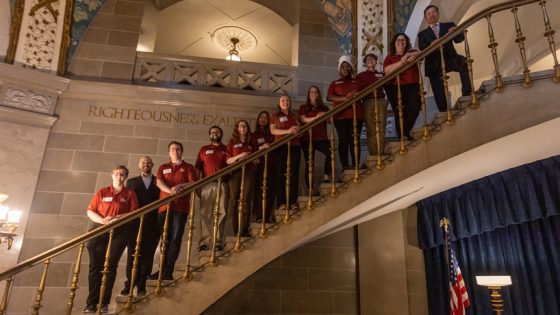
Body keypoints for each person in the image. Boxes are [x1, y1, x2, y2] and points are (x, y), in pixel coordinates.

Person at [84, 165, 138, 313]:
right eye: (116, 174)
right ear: (111, 175)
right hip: (99, 231)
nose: (119, 177)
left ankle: (103, 303)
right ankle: (91, 303)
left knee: (110, 268)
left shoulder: (129, 194)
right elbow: (90, 210)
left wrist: (117, 218)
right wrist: (103, 221)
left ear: (125, 177)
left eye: (122, 174)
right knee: (95, 267)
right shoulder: (102, 192)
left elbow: (134, 213)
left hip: (119, 233)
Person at [155, 141, 198, 280]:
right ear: (169, 152)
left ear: (181, 151)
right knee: (164, 239)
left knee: (175, 239)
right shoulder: (163, 167)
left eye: (178, 149)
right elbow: (159, 182)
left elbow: (194, 183)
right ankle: (161, 269)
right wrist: (170, 191)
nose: (175, 151)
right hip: (164, 207)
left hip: (180, 208)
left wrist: (179, 185)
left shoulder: (189, 167)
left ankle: (168, 271)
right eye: (172, 149)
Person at [418, 4, 472, 112]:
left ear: (437, 14)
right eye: (428, 14)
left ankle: (467, 93)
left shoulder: (449, 25)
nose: (431, 15)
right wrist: (431, 45)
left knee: (463, 62)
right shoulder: (422, 34)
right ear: (426, 18)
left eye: (433, 12)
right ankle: (444, 110)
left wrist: (458, 31)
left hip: (450, 58)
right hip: (433, 63)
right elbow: (422, 48)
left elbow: (458, 39)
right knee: (437, 86)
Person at [121, 156, 160, 297]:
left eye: (148, 163)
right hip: (134, 225)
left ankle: (142, 284)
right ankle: (129, 284)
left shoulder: (158, 181)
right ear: (139, 165)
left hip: (153, 224)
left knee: (148, 256)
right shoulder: (131, 182)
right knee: (132, 255)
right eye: (143, 162)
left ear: (152, 165)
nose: (146, 164)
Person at [327, 55, 363, 170]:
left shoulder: (357, 82)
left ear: (351, 68)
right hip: (340, 116)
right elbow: (329, 97)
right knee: (343, 140)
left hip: (356, 115)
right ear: (339, 68)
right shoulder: (334, 83)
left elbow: (363, 93)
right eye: (343, 66)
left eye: (348, 66)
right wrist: (345, 98)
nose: (346, 68)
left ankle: (356, 163)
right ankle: (345, 165)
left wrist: (355, 94)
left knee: (355, 139)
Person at [195, 126, 228, 251]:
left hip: (223, 184)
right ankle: (205, 242)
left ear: (221, 134)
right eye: (212, 132)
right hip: (207, 184)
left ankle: (218, 242)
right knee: (205, 213)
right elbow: (197, 168)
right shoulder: (204, 149)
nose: (215, 133)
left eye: (217, 132)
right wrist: (197, 185)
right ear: (209, 135)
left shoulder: (226, 149)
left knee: (222, 213)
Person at [383, 33, 422, 141]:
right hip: (395, 87)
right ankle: (403, 136)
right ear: (394, 43)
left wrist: (409, 55)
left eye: (403, 40)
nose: (401, 41)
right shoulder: (390, 57)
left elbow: (421, 52)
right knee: (400, 111)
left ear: (406, 43)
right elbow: (387, 70)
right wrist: (402, 61)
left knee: (415, 108)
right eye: (398, 40)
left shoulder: (410, 52)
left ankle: (406, 131)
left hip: (412, 85)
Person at [270, 94, 301, 210]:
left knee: (294, 174)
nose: (286, 102)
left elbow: (300, 129)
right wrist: (288, 131)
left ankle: (293, 202)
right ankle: (281, 202)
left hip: (295, 146)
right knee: (280, 174)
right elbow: (273, 131)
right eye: (283, 100)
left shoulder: (294, 116)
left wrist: (298, 130)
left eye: (288, 100)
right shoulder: (275, 115)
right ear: (279, 103)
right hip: (281, 146)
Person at [226, 120, 256, 237]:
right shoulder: (232, 143)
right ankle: (236, 230)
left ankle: (244, 230)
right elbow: (228, 160)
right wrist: (241, 155)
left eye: (245, 126)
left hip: (249, 172)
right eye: (240, 126)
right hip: (235, 173)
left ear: (247, 128)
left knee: (246, 201)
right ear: (237, 128)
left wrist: (252, 158)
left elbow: (257, 160)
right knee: (234, 201)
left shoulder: (251, 143)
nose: (242, 128)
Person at [298, 86, 332, 189]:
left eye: (316, 92)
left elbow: (330, 121)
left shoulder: (324, 108)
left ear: (319, 95)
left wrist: (325, 115)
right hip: (307, 139)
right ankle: (310, 189)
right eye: (312, 92)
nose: (314, 94)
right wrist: (317, 117)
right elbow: (304, 120)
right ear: (309, 94)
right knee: (309, 164)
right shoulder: (303, 107)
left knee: (330, 153)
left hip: (322, 138)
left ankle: (326, 177)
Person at [356, 53, 388, 155]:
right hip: (368, 102)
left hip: (380, 101)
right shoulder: (361, 76)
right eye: (368, 59)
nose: (370, 60)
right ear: (365, 63)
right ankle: (374, 153)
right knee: (371, 129)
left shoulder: (380, 74)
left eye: (372, 59)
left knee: (381, 127)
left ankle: (381, 151)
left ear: (376, 62)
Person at [251, 111, 277, 223]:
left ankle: (267, 216)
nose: (263, 119)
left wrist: (270, 146)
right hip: (259, 165)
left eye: (266, 118)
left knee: (271, 190)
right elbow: (251, 150)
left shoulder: (272, 134)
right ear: (258, 119)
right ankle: (257, 215)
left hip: (272, 165)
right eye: (261, 117)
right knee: (258, 191)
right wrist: (260, 149)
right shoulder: (253, 135)